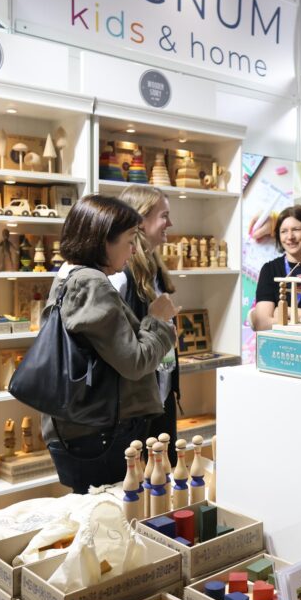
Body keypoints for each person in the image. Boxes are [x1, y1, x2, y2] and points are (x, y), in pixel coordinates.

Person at [44, 195, 179, 493]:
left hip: (83, 426)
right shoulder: (92, 284)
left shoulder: (70, 276)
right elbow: (135, 362)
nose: (134, 249)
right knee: (113, 512)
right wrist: (157, 320)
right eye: (129, 240)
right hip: (100, 432)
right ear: (105, 240)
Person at [118, 185, 181, 465]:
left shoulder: (154, 270)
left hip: (160, 392)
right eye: (163, 216)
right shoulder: (123, 275)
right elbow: (124, 344)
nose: (170, 223)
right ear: (140, 220)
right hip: (138, 402)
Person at [250, 205, 301, 331]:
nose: (290, 237)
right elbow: (262, 323)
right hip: (279, 343)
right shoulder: (269, 270)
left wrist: (287, 312)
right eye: (283, 231)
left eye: (296, 229)